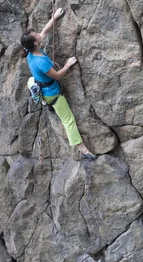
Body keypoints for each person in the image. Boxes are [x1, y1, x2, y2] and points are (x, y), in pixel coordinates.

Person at [20, 8, 96, 160]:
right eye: (36, 35)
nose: (38, 34)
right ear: (35, 42)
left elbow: (44, 32)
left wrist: (54, 17)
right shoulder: (41, 62)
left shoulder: (30, 52)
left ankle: (40, 96)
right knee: (68, 120)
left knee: (31, 80)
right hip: (52, 94)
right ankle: (82, 149)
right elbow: (57, 76)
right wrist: (68, 64)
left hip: (39, 83)